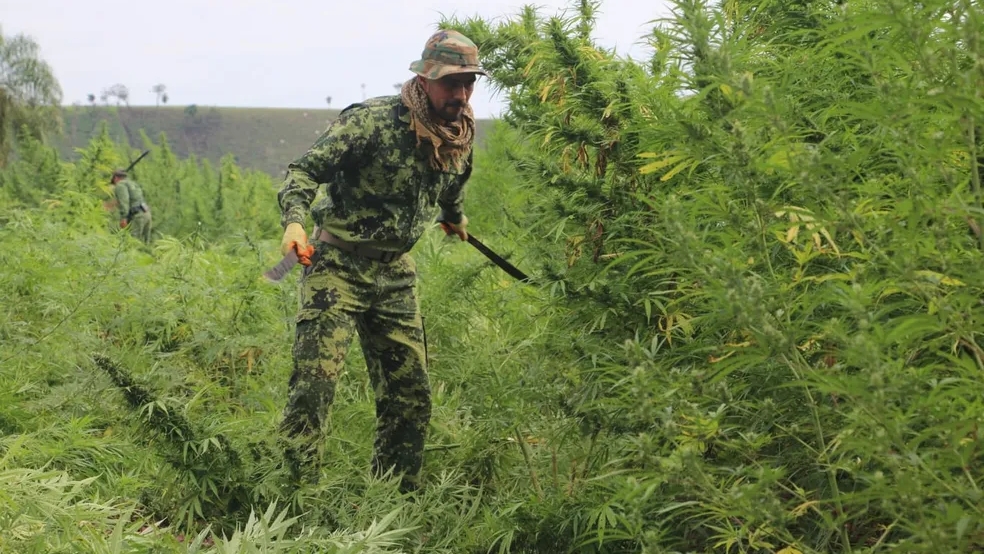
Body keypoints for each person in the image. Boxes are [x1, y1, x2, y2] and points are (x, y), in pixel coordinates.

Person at [274, 29, 485, 492]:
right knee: (313, 391)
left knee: (410, 396)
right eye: (453, 82)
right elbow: (305, 170)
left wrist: (454, 217)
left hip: (396, 275)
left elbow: (451, 184)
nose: (462, 93)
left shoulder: (459, 133)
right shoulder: (373, 121)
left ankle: (392, 505)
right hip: (337, 267)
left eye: (470, 82)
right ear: (426, 77)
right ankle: (292, 503)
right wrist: (294, 222)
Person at [112, 169, 152, 244]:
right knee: (145, 245)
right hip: (146, 214)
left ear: (116, 178)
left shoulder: (120, 185)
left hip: (137, 216)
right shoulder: (132, 183)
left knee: (132, 243)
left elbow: (124, 201)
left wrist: (123, 218)